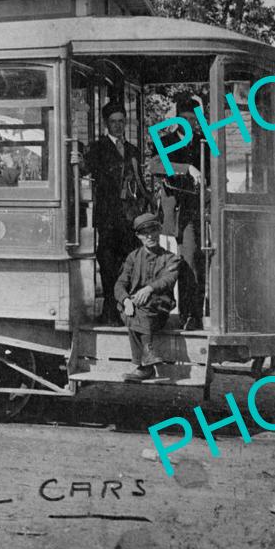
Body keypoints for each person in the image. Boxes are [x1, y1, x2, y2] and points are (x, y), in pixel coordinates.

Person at [80, 102, 149, 324]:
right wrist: (76, 161)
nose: (118, 126)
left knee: (128, 264)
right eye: (113, 122)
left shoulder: (132, 150)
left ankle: (124, 310)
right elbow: (83, 169)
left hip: (130, 218)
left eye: (121, 122)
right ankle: (110, 311)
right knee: (108, 264)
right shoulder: (97, 148)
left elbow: (139, 182)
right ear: (106, 124)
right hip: (108, 217)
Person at [149, 96, 207, 329]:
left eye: (193, 120)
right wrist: (187, 169)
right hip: (179, 214)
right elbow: (155, 166)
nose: (189, 123)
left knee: (199, 262)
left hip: (201, 210)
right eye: (184, 119)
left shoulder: (203, 142)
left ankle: (196, 315)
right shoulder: (166, 141)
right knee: (188, 262)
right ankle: (189, 316)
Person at [115, 213, 181, 381]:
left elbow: (168, 279)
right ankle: (148, 353)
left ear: (159, 231)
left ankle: (142, 366)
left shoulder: (170, 258)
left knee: (141, 307)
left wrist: (149, 289)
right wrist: (125, 299)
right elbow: (120, 284)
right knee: (133, 309)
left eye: (153, 231)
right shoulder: (133, 257)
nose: (150, 236)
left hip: (157, 311)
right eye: (145, 233)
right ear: (138, 236)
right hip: (134, 307)